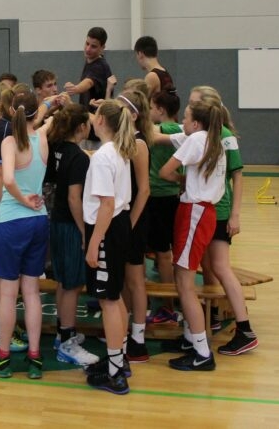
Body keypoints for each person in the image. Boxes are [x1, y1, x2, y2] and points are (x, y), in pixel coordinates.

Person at [0, 92, 52, 379]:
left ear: (11, 111)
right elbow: (46, 121)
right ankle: (35, 359)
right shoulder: (43, 138)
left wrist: (22, 200)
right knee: (32, 292)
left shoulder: (9, 142)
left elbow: (8, 178)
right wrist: (53, 103)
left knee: (9, 295)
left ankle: (3, 359)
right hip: (39, 220)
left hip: (13, 221)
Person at [158, 99, 227, 371]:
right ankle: (190, 338)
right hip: (203, 212)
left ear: (196, 123)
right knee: (182, 277)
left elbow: (165, 171)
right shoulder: (214, 139)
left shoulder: (196, 139)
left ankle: (202, 352)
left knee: (185, 284)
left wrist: (181, 180)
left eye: (185, 118)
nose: (182, 122)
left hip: (194, 213)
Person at [189, 86, 258, 356]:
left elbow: (237, 176)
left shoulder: (225, 136)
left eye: (194, 103)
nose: (190, 108)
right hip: (206, 209)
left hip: (217, 210)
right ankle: (214, 313)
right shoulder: (199, 134)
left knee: (220, 266)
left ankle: (244, 329)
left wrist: (235, 214)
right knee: (208, 265)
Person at [81, 99, 136, 394]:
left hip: (107, 227)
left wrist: (93, 244)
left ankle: (115, 374)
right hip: (118, 225)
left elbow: (106, 204)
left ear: (100, 120)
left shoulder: (103, 156)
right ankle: (119, 359)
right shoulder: (118, 150)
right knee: (115, 296)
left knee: (109, 300)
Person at [45, 104, 99, 367]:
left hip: (56, 221)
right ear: (82, 127)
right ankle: (67, 344)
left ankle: (62, 333)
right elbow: (74, 198)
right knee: (72, 285)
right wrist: (84, 231)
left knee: (63, 281)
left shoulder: (55, 147)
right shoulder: (78, 157)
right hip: (69, 225)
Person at [116, 89, 152, 364]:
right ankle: (123, 331)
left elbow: (144, 190)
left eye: (121, 108)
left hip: (134, 221)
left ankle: (138, 340)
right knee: (124, 280)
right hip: (122, 220)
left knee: (136, 280)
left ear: (134, 115)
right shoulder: (122, 141)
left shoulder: (138, 144)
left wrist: (130, 223)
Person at [144, 89, 182, 324]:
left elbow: (150, 133)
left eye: (150, 108)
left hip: (160, 198)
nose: (148, 112)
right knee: (163, 251)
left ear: (160, 110)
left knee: (163, 252)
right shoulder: (178, 129)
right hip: (167, 197)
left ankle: (168, 306)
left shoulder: (168, 129)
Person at [63, 27, 112, 148]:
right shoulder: (90, 61)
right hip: (89, 130)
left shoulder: (100, 66)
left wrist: (75, 88)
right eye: (87, 43)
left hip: (97, 135)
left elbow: (89, 82)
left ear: (102, 48)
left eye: (93, 46)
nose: (88, 49)